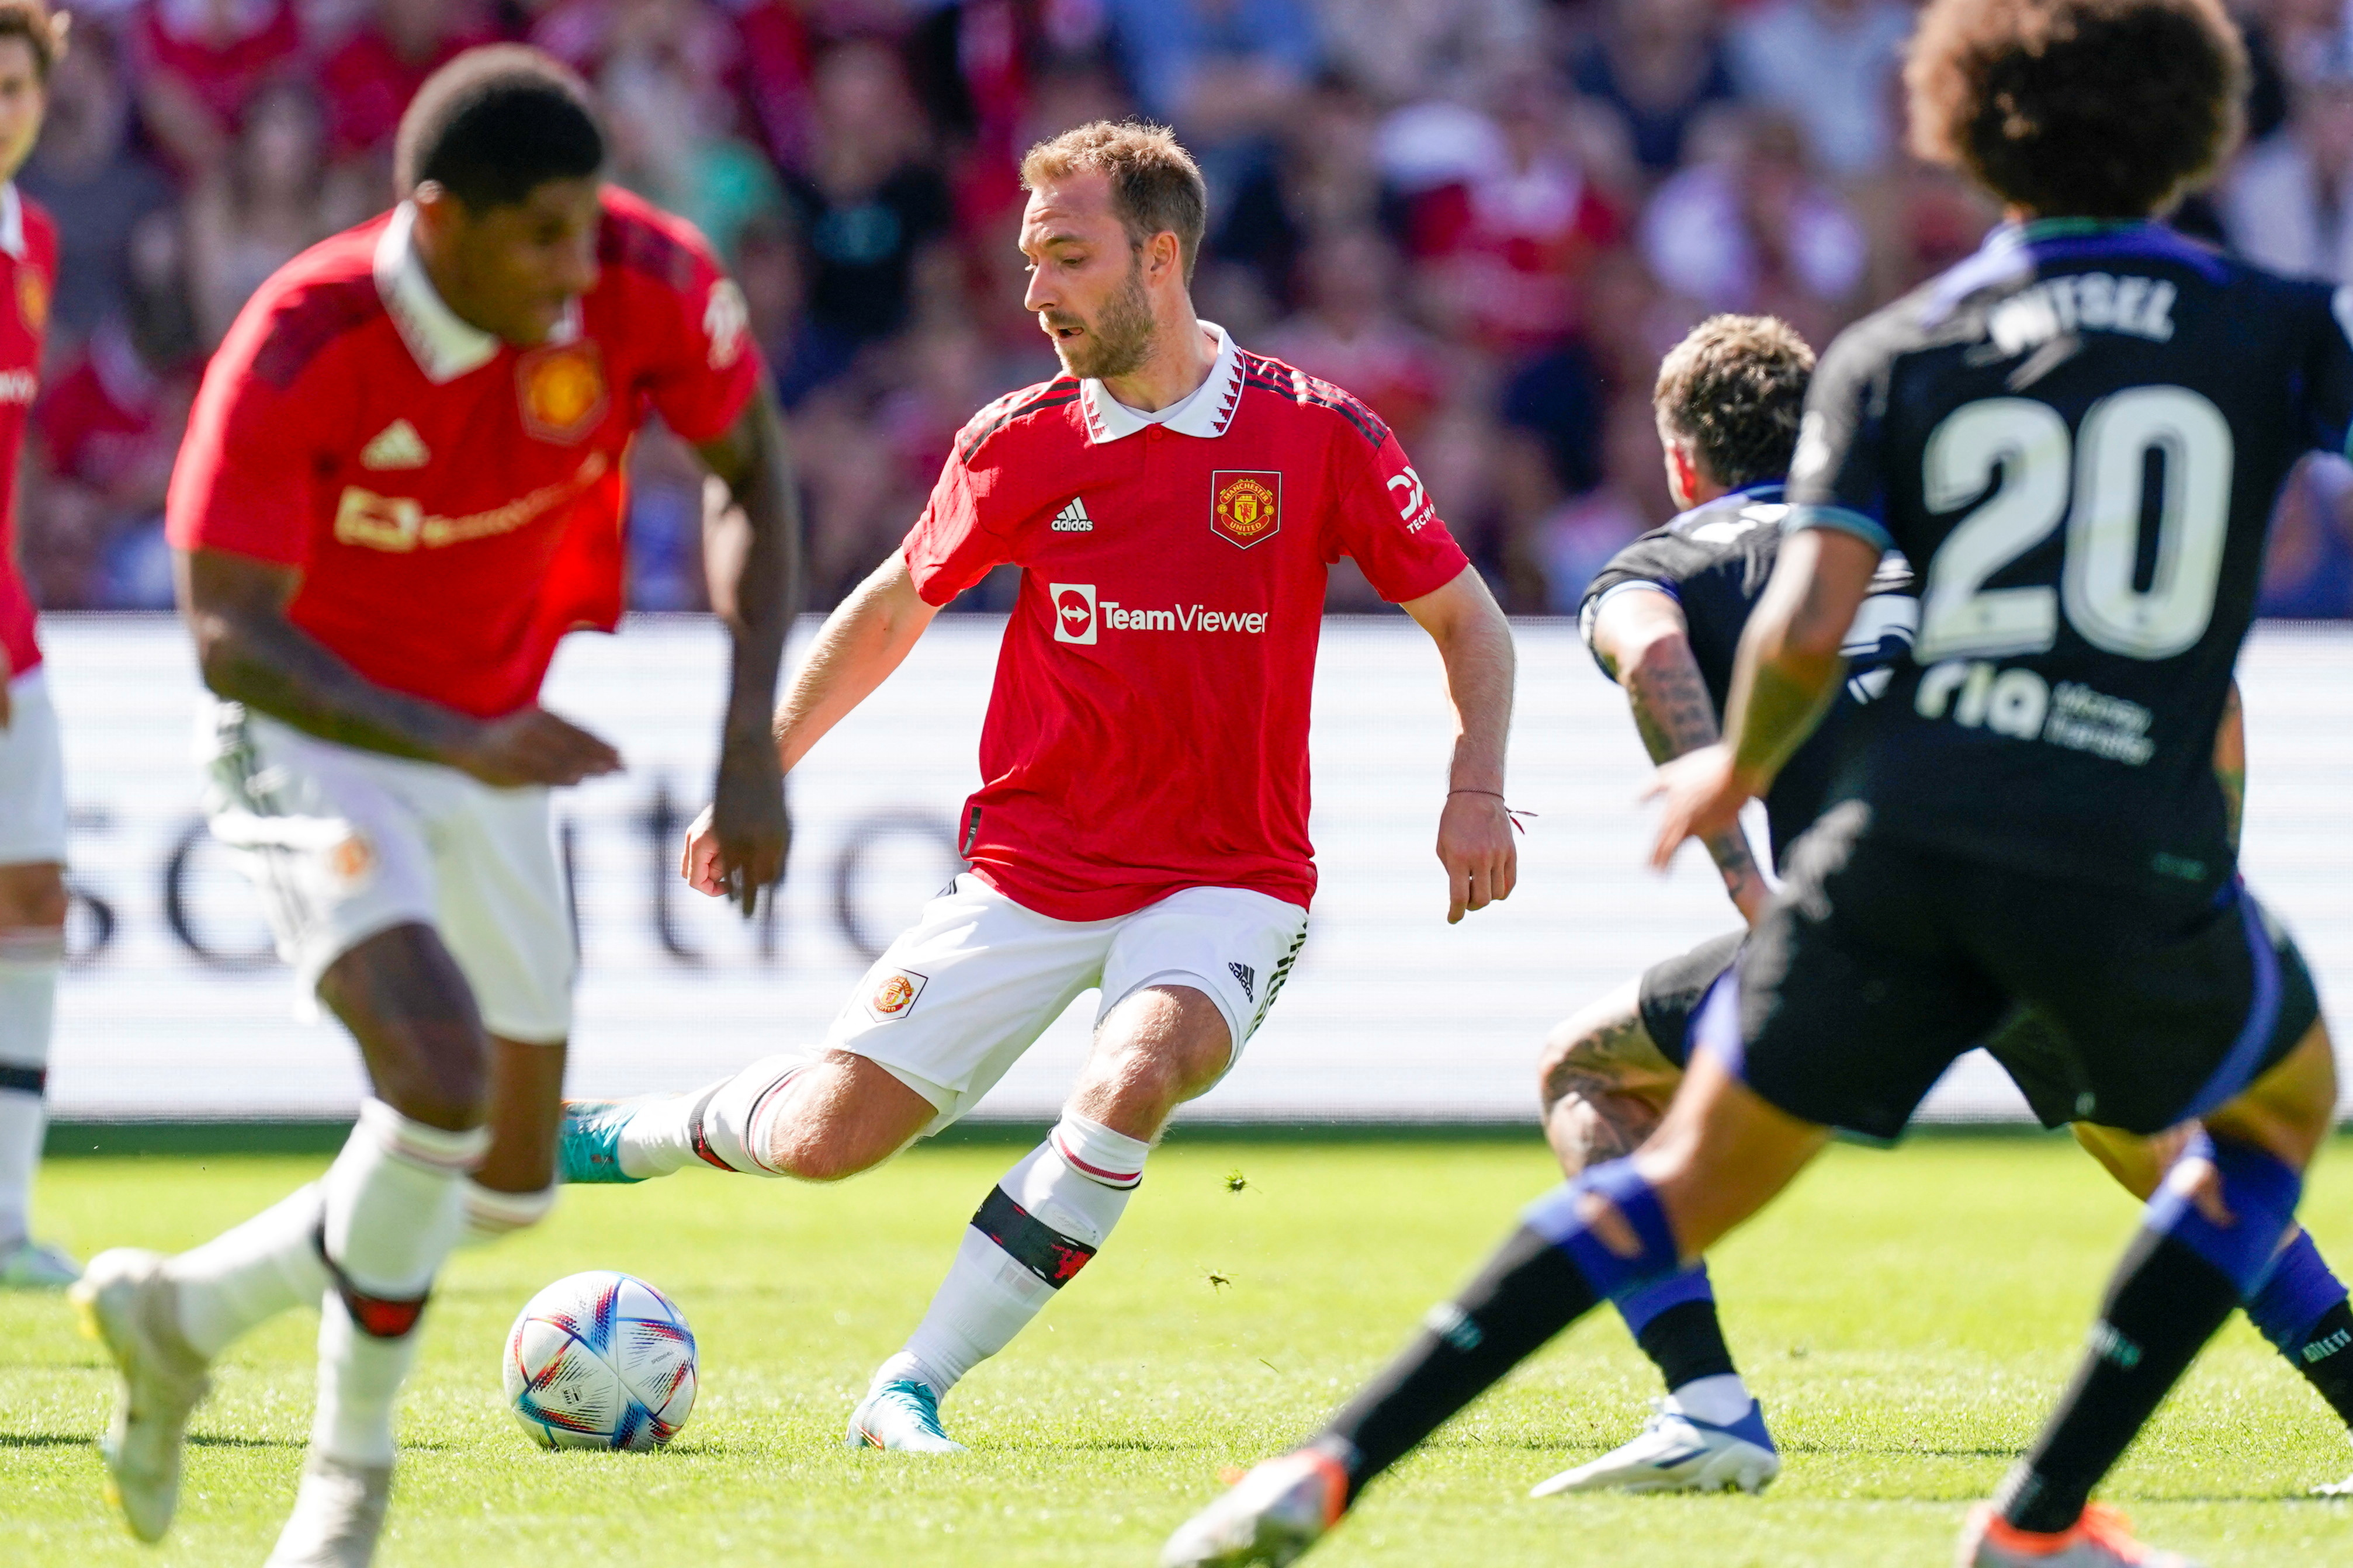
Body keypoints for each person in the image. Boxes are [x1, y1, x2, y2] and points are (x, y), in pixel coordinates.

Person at [1163, 4, 2348, 1563]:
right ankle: (2038, 1515)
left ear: (1965, 125)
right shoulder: (2273, 323)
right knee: (2267, 1119)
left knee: (1673, 1178)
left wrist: (1734, 761)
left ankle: (1323, 1465)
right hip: (2120, 846)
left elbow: (1796, 617)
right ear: (2200, 123)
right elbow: (2211, 691)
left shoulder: (1897, 345)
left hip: (1902, 847)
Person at [557, 120, 1519, 1454]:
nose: (1035, 293)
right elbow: (892, 609)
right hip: (1031, 868)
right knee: (831, 1137)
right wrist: (756, 768)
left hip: (1226, 876)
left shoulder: (1317, 434)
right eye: (1028, 261)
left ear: (1161, 257)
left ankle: (911, 1384)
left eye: (1068, 259)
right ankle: (637, 1133)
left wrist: (1476, 784)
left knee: (1139, 1069)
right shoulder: (1018, 441)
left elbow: (1469, 621)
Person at [70, 47, 798, 1567]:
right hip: (312, 734)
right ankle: (348, 1483)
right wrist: (451, 738)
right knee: (434, 1068)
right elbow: (229, 632)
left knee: (509, 1189)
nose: (571, 268)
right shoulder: (301, 338)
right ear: (434, 219)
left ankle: (177, 1315)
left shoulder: (643, 282)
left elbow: (752, 474)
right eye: (538, 234)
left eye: (585, 226)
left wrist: (748, 744)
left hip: (485, 739)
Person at [1533, 314, 2353, 1498]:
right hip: (2053, 908)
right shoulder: (1962, 531)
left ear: (1679, 460)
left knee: (1584, 1071)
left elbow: (1655, 657)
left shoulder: (1665, 560)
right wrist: (2197, 873)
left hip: (1869, 925)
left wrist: (1744, 881)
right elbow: (2203, 683)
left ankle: (1704, 1401)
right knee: (2178, 1160)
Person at [0, 1, 72, 1291]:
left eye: (15, 84)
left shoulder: (35, 241)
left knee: (33, 907)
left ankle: (6, 1217)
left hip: (12, 632)